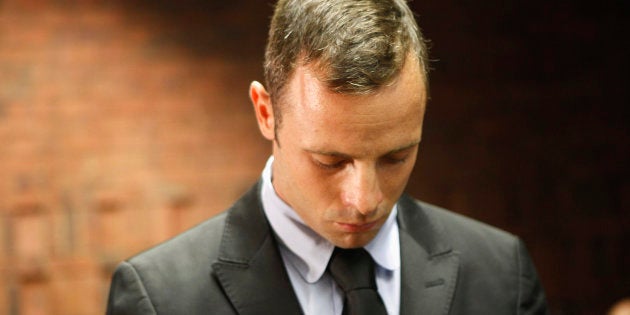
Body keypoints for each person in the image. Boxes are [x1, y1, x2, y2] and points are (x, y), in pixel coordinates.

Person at [106, 0, 549, 314]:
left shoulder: (501, 274)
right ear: (266, 113)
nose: (364, 200)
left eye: (396, 157)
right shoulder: (161, 299)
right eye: (330, 161)